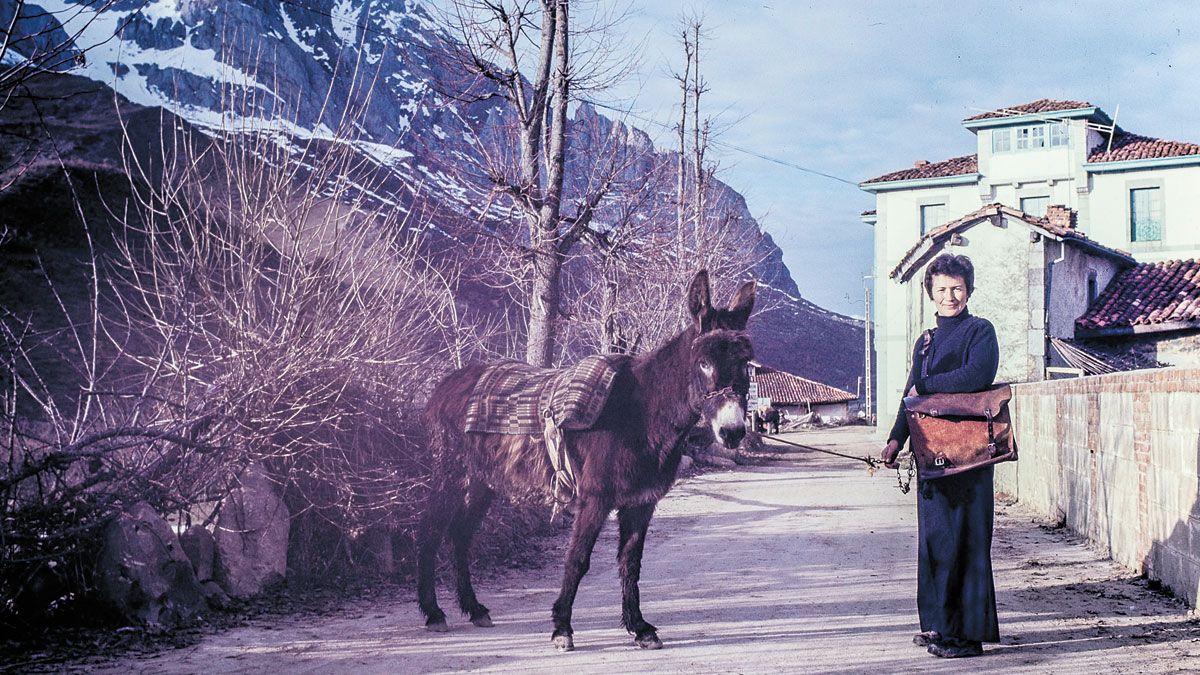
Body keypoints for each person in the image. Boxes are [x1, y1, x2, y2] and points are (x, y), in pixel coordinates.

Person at [880, 253, 1000, 659]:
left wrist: (927, 383)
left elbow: (976, 376)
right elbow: (910, 397)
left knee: (966, 542)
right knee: (936, 542)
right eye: (942, 289)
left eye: (957, 288)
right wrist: (896, 440)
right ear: (931, 293)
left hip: (970, 457)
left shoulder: (980, 332)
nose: (950, 296)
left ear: (969, 290)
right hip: (931, 455)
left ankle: (966, 638)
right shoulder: (926, 341)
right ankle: (941, 626)